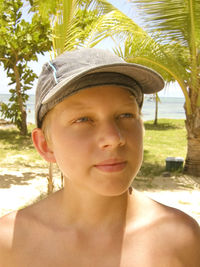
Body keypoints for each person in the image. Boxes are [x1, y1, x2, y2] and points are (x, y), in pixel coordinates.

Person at [0, 48, 199, 267]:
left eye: (126, 115)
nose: (114, 138)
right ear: (45, 145)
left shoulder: (181, 238)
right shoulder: (9, 243)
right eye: (83, 119)